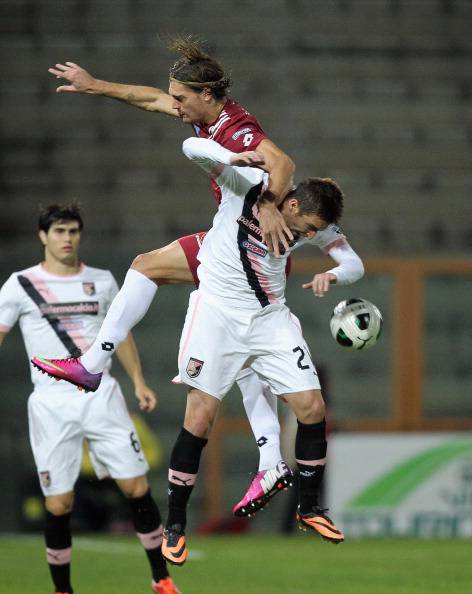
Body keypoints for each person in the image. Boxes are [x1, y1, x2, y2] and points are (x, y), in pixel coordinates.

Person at [37, 36, 297, 515]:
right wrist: (94, 86)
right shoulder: (205, 117)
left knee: (158, 277)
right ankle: (272, 462)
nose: (173, 105)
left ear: (206, 95)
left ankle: (93, 364)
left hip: (246, 254)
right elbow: (148, 98)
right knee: (235, 348)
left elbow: (282, 162)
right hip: (228, 246)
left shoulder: (237, 129)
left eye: (181, 97)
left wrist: (267, 204)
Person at [158, 137, 365, 565]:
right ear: (292, 204)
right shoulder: (245, 183)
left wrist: (333, 275)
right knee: (200, 417)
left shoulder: (313, 225)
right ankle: (174, 525)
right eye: (308, 227)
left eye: (315, 232)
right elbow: (190, 145)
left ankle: (310, 508)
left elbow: (354, 264)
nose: (310, 236)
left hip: (269, 317)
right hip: (217, 314)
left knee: (312, 407)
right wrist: (228, 156)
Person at [0, 204, 181, 594]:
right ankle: (63, 590)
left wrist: (138, 382)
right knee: (58, 504)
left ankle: (161, 578)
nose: (67, 238)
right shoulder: (20, 285)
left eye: (73, 231)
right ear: (43, 236)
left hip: (101, 395)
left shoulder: (101, 281)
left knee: (135, 487)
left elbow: (121, 333)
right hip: (51, 402)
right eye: (59, 231)